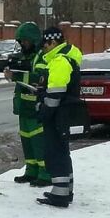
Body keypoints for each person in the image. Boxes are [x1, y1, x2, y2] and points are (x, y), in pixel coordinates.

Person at [35, 26, 83, 208]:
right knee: (63, 152)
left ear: (53, 42)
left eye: (45, 45)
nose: (44, 49)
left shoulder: (59, 61)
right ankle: (65, 190)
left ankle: (60, 195)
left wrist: (44, 112)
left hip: (57, 114)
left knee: (55, 152)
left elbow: (55, 93)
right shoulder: (69, 58)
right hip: (66, 112)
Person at [5, 22, 50, 187]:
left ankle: (46, 173)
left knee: (38, 141)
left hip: (35, 107)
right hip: (24, 106)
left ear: (33, 40)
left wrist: (16, 75)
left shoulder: (41, 56)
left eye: (25, 41)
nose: (22, 44)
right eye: (21, 41)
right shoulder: (25, 56)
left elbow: (39, 78)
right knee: (27, 140)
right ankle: (31, 171)